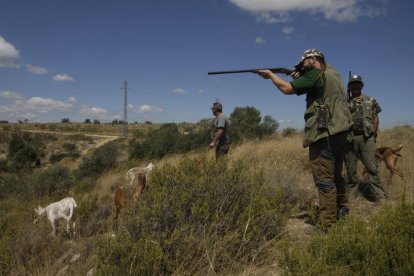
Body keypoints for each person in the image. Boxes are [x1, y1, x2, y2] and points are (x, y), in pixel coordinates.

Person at [257, 49, 352, 228]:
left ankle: (328, 225)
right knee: (337, 177)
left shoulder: (315, 75)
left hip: (324, 135)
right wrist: (298, 75)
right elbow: (318, 89)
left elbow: (287, 89)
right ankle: (342, 211)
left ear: (314, 59)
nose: (301, 65)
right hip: (341, 132)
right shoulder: (333, 74)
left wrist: (270, 75)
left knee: (324, 181)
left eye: (304, 62)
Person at [344, 74, 386, 202]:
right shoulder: (345, 102)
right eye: (352, 84)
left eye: (357, 83)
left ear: (361, 85)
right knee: (351, 169)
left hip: (367, 138)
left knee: (372, 168)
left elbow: (375, 117)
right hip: (350, 139)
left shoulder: (371, 100)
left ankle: (380, 196)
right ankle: (352, 195)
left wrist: (373, 133)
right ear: (349, 87)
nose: (355, 86)